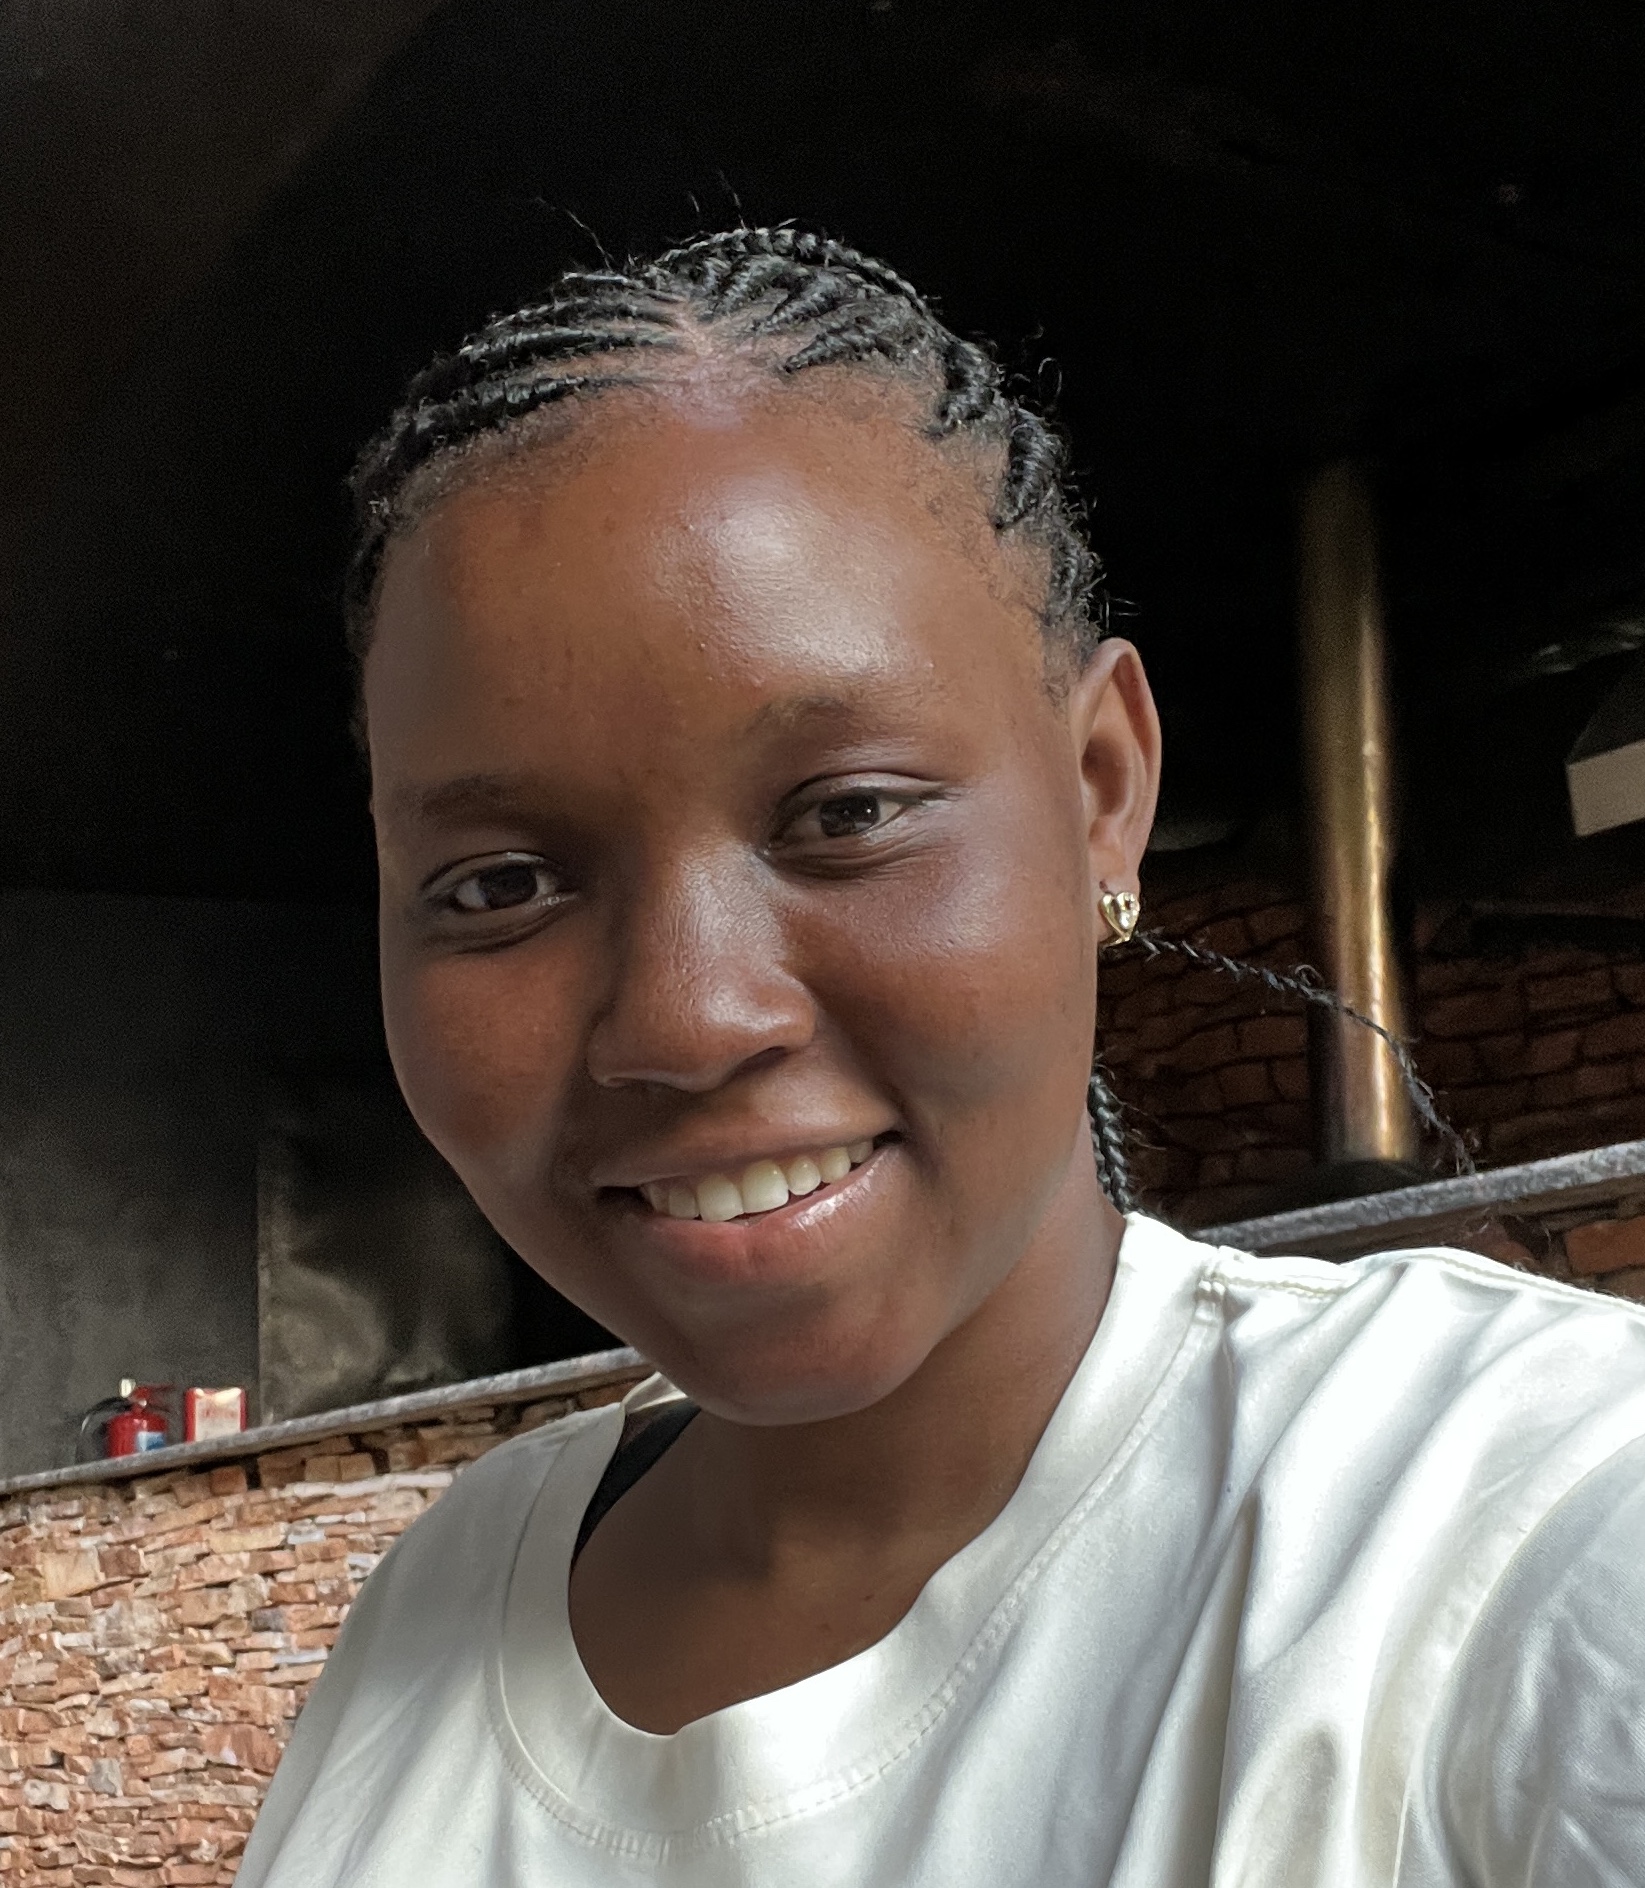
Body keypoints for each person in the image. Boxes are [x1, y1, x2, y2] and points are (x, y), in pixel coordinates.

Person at [238, 227, 1645, 1887]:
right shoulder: (445, 1598)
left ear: (1102, 787)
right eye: (498, 885)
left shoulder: (1512, 1527)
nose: (688, 1022)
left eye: (847, 815)